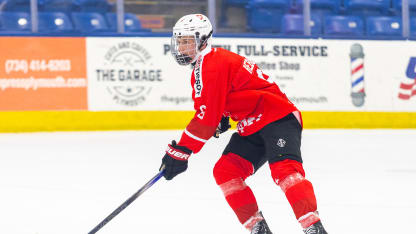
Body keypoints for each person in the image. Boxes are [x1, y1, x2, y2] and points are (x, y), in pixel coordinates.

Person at [160, 13, 328, 234]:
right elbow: (221, 104)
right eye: (179, 41)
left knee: (284, 170)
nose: (182, 47)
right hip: (252, 123)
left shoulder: (211, 64)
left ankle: (313, 228)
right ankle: (258, 228)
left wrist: (180, 151)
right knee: (226, 171)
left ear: (202, 40)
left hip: (277, 116)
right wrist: (223, 115)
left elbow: (205, 118)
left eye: (187, 41)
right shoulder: (206, 64)